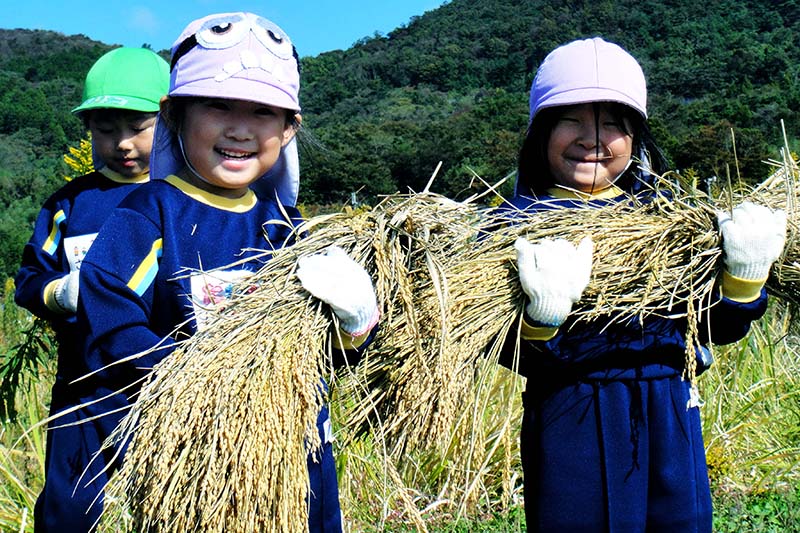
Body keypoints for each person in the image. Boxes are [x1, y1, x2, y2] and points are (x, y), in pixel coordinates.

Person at [71, 12, 379, 532]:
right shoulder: (151, 215)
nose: (239, 128)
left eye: (263, 111)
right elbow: (111, 319)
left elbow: (325, 354)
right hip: (200, 465)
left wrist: (354, 328)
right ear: (175, 116)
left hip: (298, 453)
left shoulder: (285, 227)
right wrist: (204, 382)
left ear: (288, 129)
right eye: (218, 105)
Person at [497, 37, 787, 532]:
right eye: (571, 119)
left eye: (613, 122)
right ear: (541, 131)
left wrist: (744, 277)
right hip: (571, 412)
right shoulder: (512, 229)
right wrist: (542, 320)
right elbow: (502, 347)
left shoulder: (669, 221)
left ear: (635, 137)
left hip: (670, 407)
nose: (593, 138)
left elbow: (712, 327)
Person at [13, 46, 170, 533]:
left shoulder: (187, 199)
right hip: (87, 388)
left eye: (139, 127)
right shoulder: (70, 205)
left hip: (172, 390)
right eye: (106, 129)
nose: (122, 143)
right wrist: (63, 293)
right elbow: (29, 283)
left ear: (171, 120)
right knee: (69, 510)